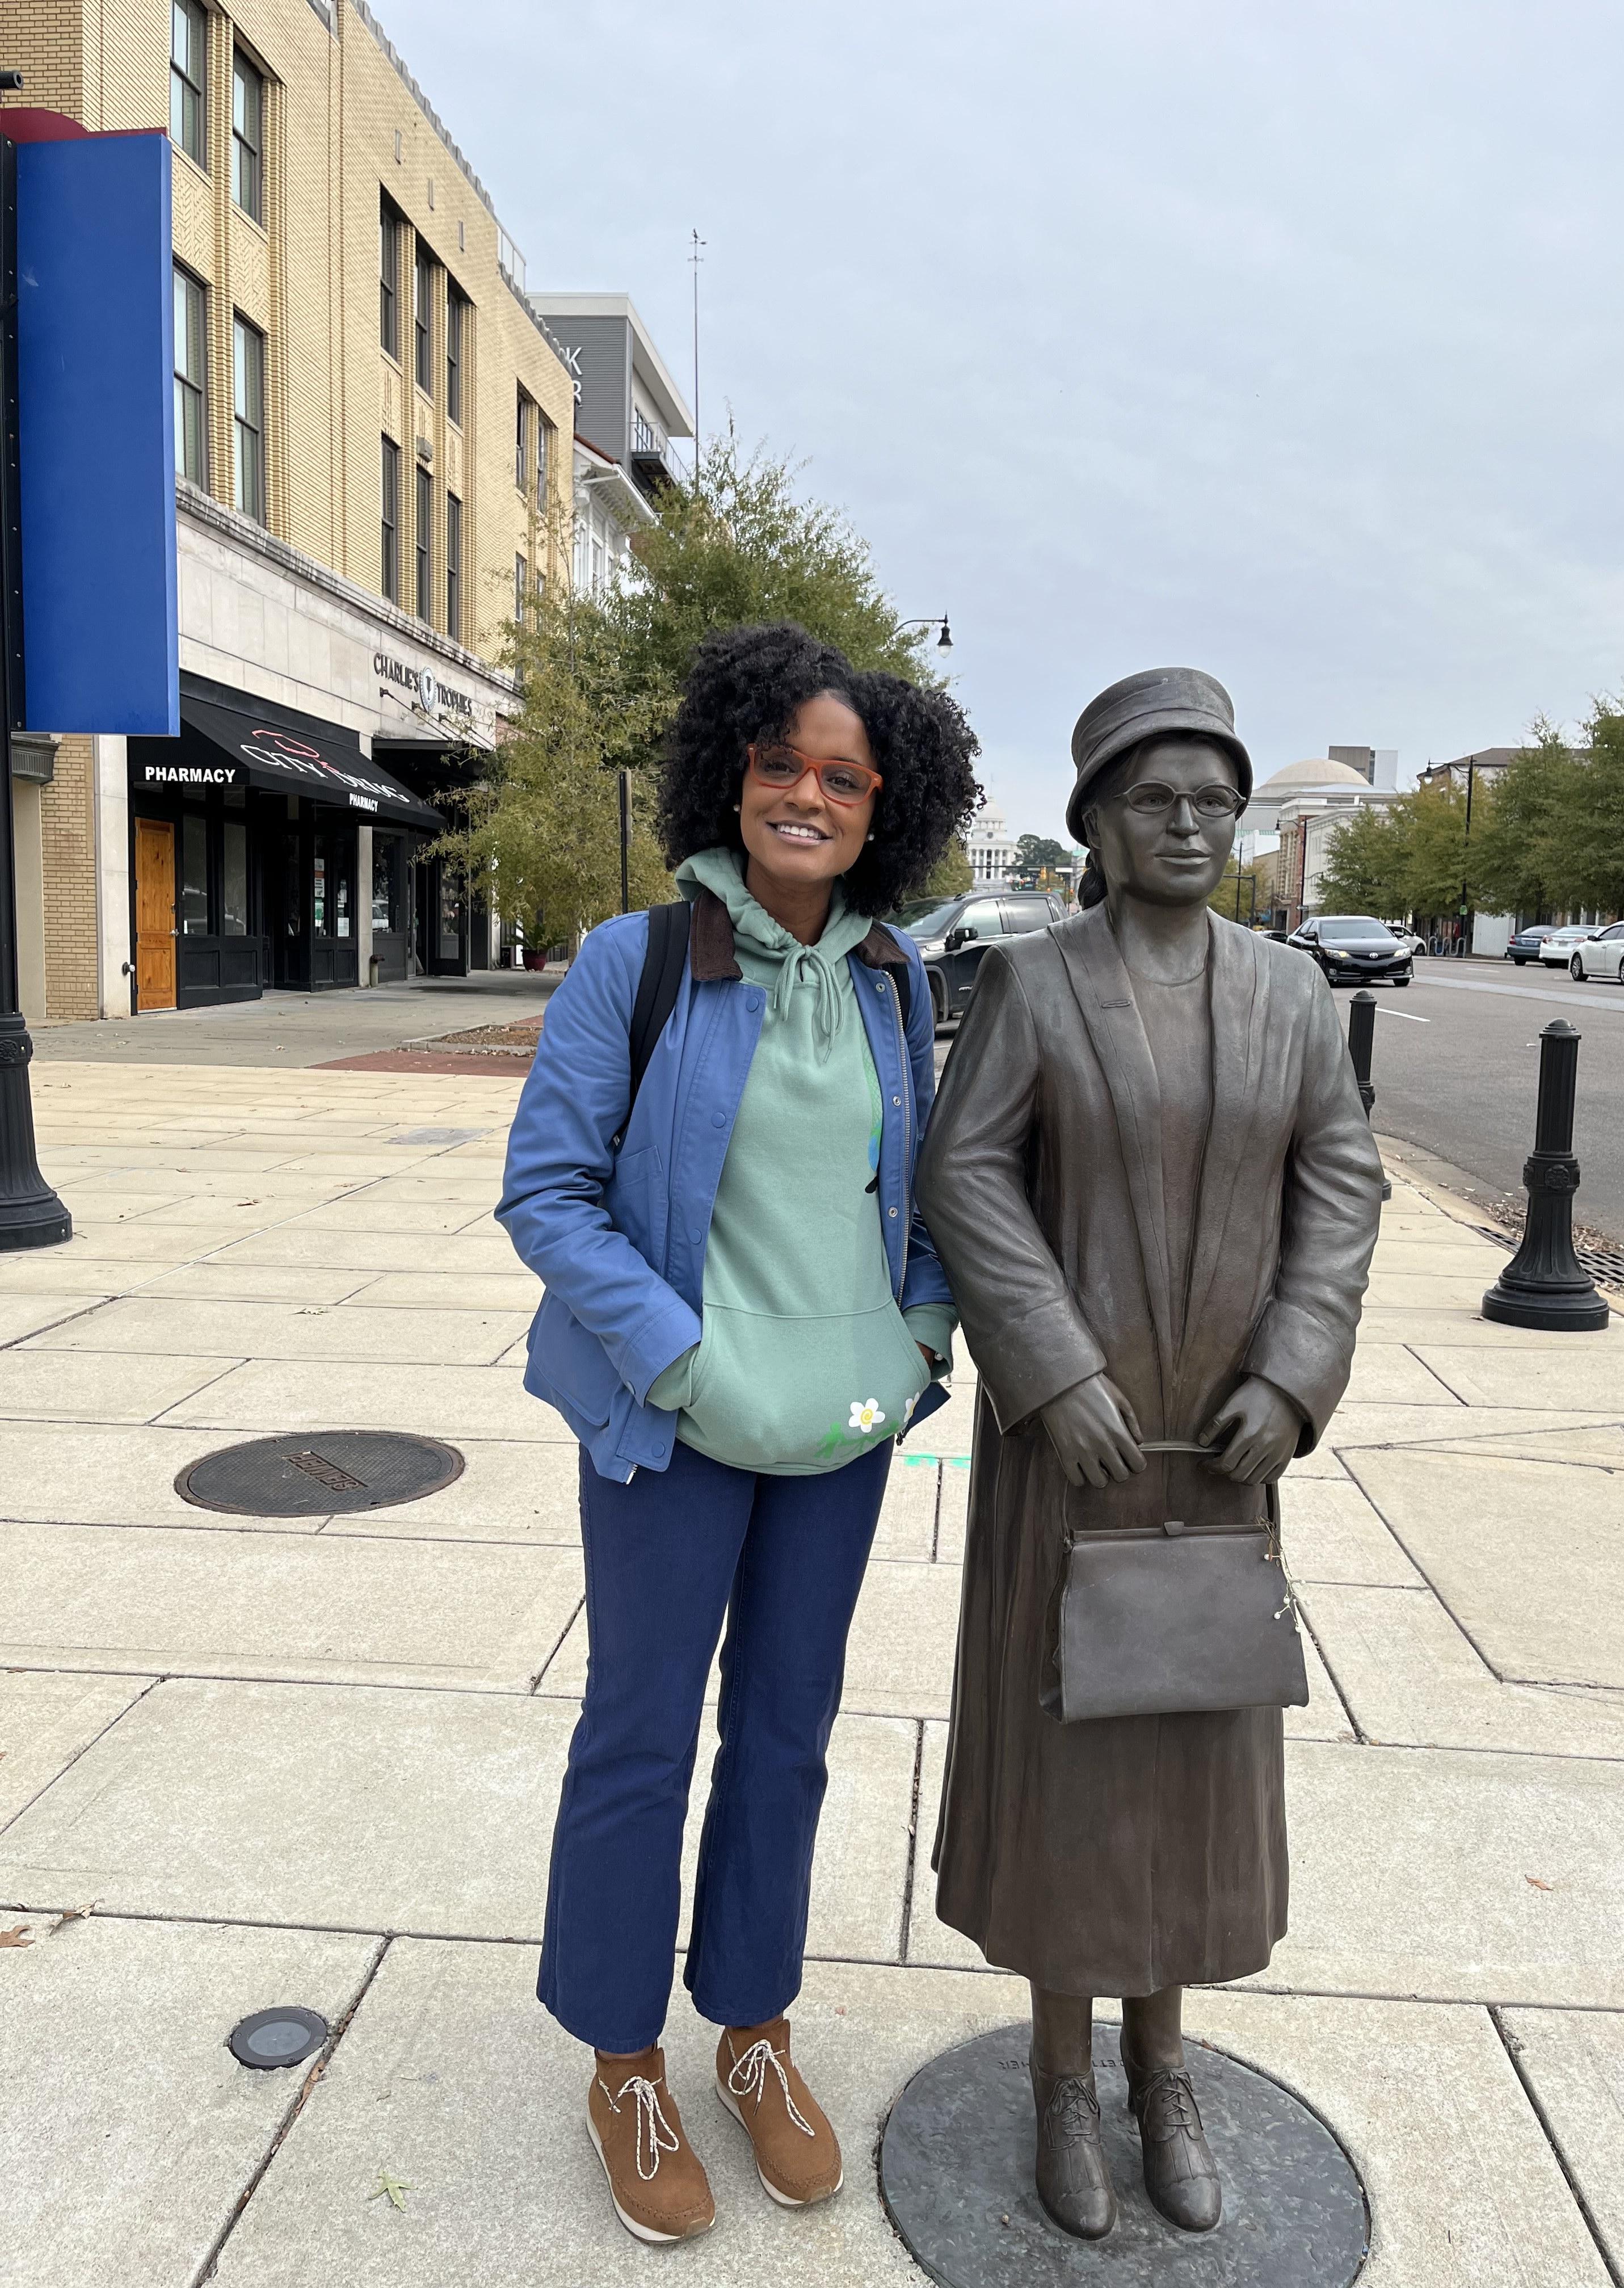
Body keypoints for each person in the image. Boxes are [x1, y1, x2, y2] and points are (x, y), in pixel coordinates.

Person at [498, 621, 978, 2245]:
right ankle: (624, 2059)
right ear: (733, 772)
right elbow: (547, 1195)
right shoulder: (633, 963)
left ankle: (753, 2030)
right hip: (676, 1422)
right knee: (638, 1732)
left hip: (839, 1425)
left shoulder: (896, 977)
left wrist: (922, 1338)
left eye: (845, 778)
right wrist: (680, 1361)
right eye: (782, 764)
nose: (810, 795)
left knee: (787, 1729)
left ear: (883, 809)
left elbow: (917, 1200)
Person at [918, 668, 1382, 2242]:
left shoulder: (1292, 993)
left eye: (1212, 799)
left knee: (1188, 1757)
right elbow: (963, 1170)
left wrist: (1300, 1372)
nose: (1186, 822)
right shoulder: (1040, 987)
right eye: (1153, 799)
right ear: (1099, 827)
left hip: (1225, 1450)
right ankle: (1063, 2071)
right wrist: (1048, 1371)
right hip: (1075, 1457)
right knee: (1072, 1769)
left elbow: (1343, 1187)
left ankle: (1163, 2063)